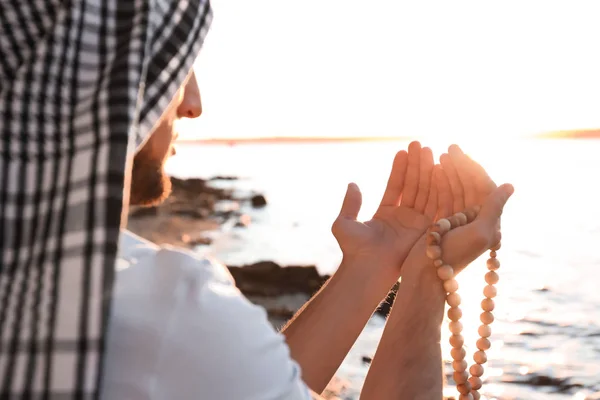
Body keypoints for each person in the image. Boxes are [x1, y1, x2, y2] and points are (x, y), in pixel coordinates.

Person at [0, 1, 513, 399]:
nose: (194, 103)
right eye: (174, 67)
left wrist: (373, 265)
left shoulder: (77, 280)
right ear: (95, 76)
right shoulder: (164, 305)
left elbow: (215, 381)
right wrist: (428, 277)